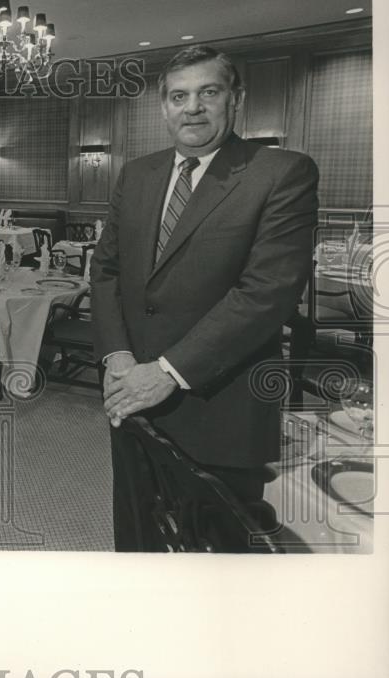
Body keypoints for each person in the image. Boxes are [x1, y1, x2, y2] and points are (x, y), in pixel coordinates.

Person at [90, 45, 319, 550]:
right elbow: (105, 271)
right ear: (164, 106)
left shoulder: (281, 173)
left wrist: (166, 372)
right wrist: (118, 355)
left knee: (221, 563)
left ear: (234, 99)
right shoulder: (137, 173)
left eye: (207, 92)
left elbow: (265, 296)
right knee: (137, 538)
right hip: (130, 397)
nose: (192, 107)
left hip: (220, 409)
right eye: (178, 96)